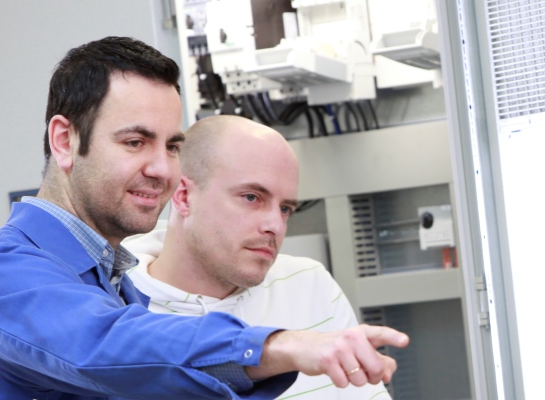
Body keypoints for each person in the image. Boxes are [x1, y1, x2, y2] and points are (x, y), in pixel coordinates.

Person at [0, 37, 407, 400]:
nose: (160, 169)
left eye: (171, 146)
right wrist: (279, 347)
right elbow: (102, 346)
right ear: (65, 141)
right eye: (134, 142)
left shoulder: (112, 282)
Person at [122, 115, 392, 399]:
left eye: (285, 208)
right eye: (252, 197)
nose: (275, 225)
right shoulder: (115, 306)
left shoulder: (308, 284)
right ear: (184, 196)